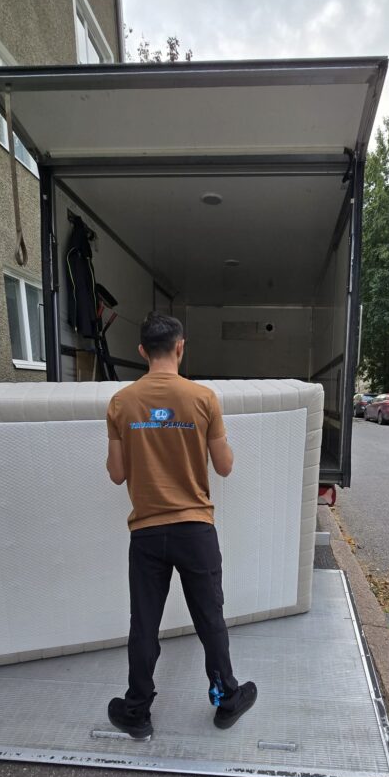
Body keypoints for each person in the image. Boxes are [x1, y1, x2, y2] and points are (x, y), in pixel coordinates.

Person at [105, 311, 257, 741]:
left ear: (141, 351)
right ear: (180, 347)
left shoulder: (120, 403)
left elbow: (116, 474)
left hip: (146, 533)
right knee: (210, 619)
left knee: (144, 624)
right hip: (195, 530)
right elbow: (224, 466)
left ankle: (136, 711)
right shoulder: (204, 398)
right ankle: (226, 699)